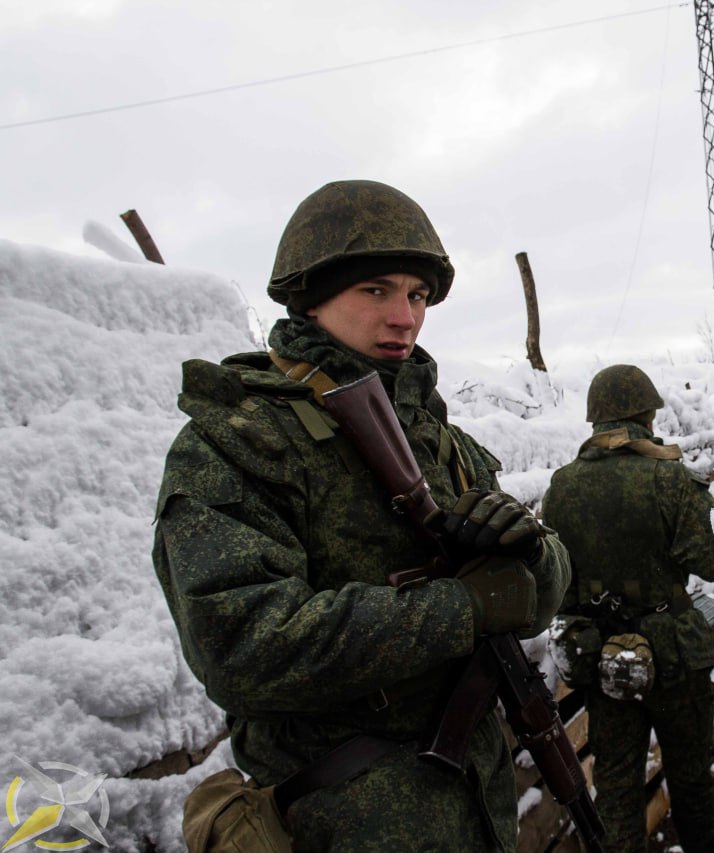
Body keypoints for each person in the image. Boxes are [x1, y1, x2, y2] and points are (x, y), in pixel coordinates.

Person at [152, 179, 570, 851]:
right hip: (347, 824)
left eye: (418, 294)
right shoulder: (239, 439)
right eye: (376, 290)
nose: (404, 316)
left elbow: (541, 590)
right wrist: (460, 608)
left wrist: (531, 554)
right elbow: (239, 644)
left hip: (478, 812)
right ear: (311, 298)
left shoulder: (441, 440)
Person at [541, 364, 714, 853]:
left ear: (595, 418)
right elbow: (711, 564)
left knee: (618, 793)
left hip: (606, 661)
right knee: (690, 782)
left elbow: (558, 585)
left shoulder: (560, 487)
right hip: (675, 658)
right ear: (646, 414)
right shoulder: (670, 478)